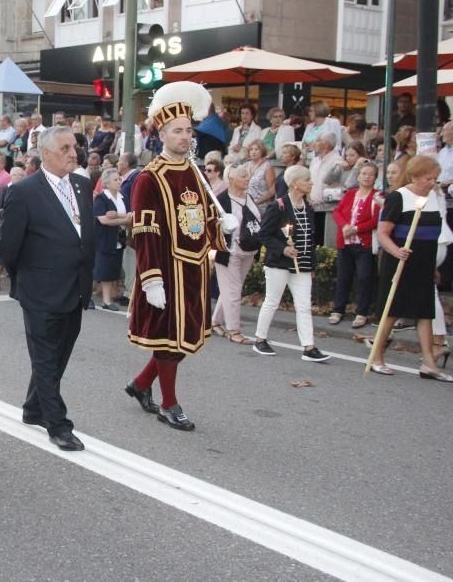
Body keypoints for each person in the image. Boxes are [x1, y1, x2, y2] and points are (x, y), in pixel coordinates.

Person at [124, 81, 228, 431]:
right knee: (170, 341)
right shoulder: (148, 178)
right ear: (163, 134)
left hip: (195, 267)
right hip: (167, 270)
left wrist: (220, 224)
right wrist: (152, 280)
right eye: (178, 131)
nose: (186, 137)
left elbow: (198, 215)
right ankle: (169, 403)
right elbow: (146, 230)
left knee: (184, 339)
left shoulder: (195, 170)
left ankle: (140, 385)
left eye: (188, 130)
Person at [0, 126, 94, 451]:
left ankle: (34, 407)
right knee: (45, 359)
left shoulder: (82, 185)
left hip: (75, 289)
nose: (73, 153)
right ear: (47, 154)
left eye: (74, 147)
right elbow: (8, 248)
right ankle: (57, 424)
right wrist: (26, 280)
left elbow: (83, 234)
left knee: (60, 355)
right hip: (39, 290)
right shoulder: (24, 191)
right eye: (66, 148)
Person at [368, 156, 451, 380]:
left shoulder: (433, 197)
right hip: (400, 262)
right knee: (392, 311)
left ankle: (429, 364)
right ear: (414, 176)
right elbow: (384, 233)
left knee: (425, 312)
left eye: (434, 179)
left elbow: (432, 237)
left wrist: (433, 266)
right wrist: (396, 251)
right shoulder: (398, 197)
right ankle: (377, 357)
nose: (432, 183)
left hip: (424, 262)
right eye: (428, 178)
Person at [251, 165, 328, 362]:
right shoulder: (278, 206)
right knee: (272, 301)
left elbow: (310, 239)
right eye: (307, 179)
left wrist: (311, 265)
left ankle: (308, 347)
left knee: (303, 306)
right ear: (294, 183)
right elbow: (264, 234)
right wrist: (283, 248)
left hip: (301, 265)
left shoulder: (308, 207)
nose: (311, 183)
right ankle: (260, 339)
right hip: (278, 263)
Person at [329, 162, 383, 329]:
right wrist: (345, 226)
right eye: (364, 173)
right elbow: (337, 211)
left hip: (363, 243)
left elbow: (376, 219)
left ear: (375, 178)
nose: (366, 177)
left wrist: (356, 229)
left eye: (370, 174)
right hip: (345, 242)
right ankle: (338, 309)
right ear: (358, 176)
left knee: (364, 277)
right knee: (343, 277)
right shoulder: (351, 193)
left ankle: (362, 312)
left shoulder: (377, 196)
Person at [212, 164, 262, 345]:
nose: (247, 179)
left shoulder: (249, 197)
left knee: (232, 288)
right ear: (231, 179)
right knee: (232, 291)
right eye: (243, 176)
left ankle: (216, 322)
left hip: (248, 250)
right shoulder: (221, 200)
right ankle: (233, 330)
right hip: (229, 251)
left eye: (247, 176)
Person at [92, 168, 129, 310]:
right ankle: (106, 301)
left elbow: (131, 215)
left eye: (119, 179)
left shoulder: (122, 197)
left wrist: (118, 216)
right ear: (106, 183)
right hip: (105, 239)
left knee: (112, 270)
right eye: (115, 179)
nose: (119, 181)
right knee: (104, 270)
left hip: (119, 239)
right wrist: (123, 219)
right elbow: (103, 220)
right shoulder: (102, 198)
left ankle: (107, 299)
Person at [308, 133, 343, 203]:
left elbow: (329, 181)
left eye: (318, 141)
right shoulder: (315, 160)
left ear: (326, 144)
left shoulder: (337, 161)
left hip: (328, 206)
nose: (314, 144)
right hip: (312, 204)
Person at [245, 141, 277, 210]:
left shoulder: (267, 166)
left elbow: (272, 189)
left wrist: (257, 202)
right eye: (251, 149)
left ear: (262, 151)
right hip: (247, 205)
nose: (253, 152)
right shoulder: (245, 165)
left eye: (256, 149)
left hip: (261, 206)